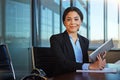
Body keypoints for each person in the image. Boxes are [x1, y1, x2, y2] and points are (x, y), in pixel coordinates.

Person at [50, 7, 106, 75]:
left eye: (76, 19)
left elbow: (83, 63)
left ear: (81, 22)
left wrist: (96, 61)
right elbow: (62, 63)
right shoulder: (56, 39)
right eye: (68, 19)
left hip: (81, 75)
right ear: (64, 22)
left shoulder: (85, 41)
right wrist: (90, 66)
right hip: (63, 76)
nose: (73, 22)